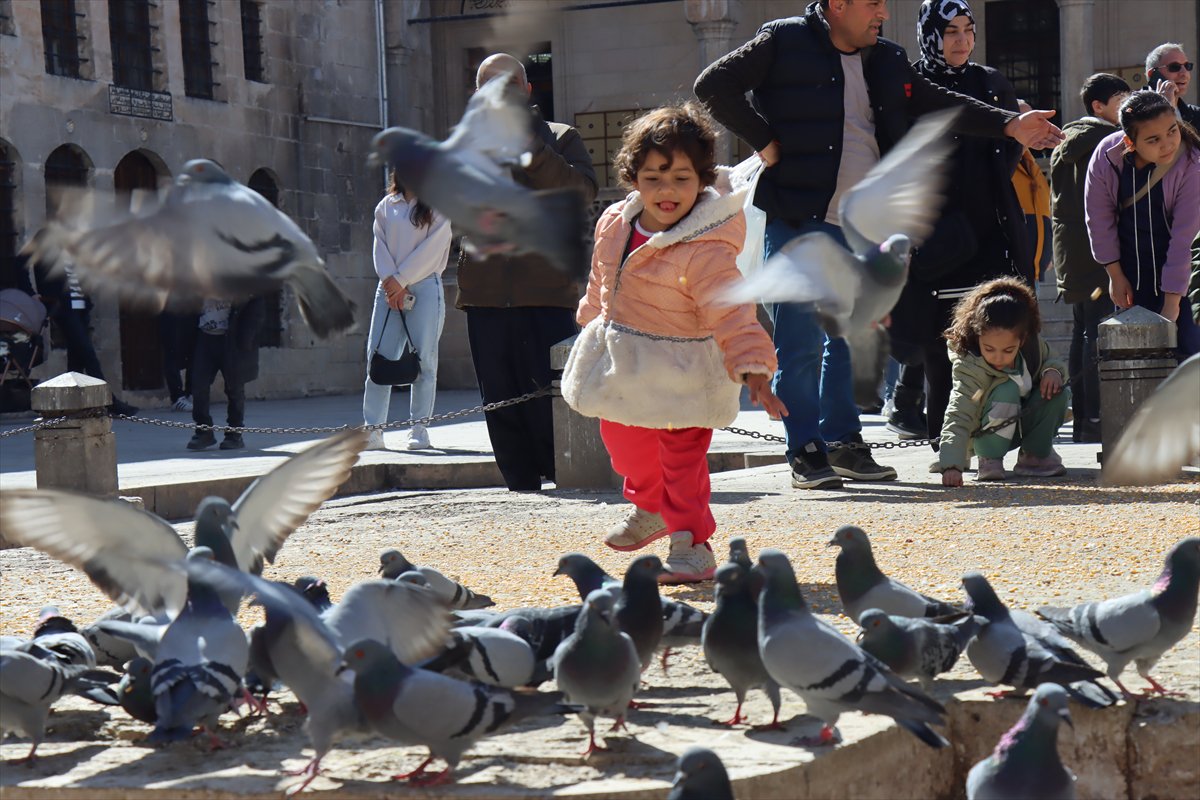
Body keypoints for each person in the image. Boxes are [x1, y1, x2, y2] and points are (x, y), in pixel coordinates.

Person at [694, 0, 1063, 490]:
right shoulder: (783, 39)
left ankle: (843, 441)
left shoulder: (887, 58)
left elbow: (934, 99)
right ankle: (805, 448)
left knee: (851, 340)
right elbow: (713, 85)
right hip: (799, 215)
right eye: (873, 3)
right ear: (838, 5)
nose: (883, 13)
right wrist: (763, 140)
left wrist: (1008, 123)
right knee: (800, 341)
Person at [564, 103, 785, 583]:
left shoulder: (706, 244)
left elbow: (731, 308)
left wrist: (753, 367)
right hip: (627, 366)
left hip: (688, 372)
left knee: (682, 465)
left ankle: (692, 544)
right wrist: (590, 320)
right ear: (633, 178)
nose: (667, 190)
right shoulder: (616, 222)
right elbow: (602, 278)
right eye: (654, 177)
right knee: (623, 445)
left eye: (682, 178)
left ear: (702, 181)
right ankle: (651, 507)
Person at [888, 0, 1034, 464]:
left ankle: (994, 443)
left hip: (989, 229)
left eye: (968, 30)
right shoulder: (910, 84)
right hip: (934, 234)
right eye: (950, 31)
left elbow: (1010, 148)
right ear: (930, 34)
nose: (962, 40)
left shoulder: (991, 83)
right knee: (941, 344)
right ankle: (946, 443)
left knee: (996, 334)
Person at [456, 53, 598, 492]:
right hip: (486, 292)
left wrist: (530, 146)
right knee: (500, 399)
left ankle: (562, 473)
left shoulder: (561, 136)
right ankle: (519, 486)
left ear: (527, 89)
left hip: (546, 289)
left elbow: (580, 193)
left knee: (548, 395)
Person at [1084, 90, 1200, 357]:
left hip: (1186, 279)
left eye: (1172, 131)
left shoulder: (1192, 162)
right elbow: (1099, 219)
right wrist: (1115, 275)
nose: (1168, 144)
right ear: (1130, 141)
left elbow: (1186, 238)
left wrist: (1172, 303)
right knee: (1135, 360)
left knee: (1187, 356)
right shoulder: (1107, 156)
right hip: (1130, 276)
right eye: (1153, 139)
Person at [1051, 72, 1130, 443]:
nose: (1127, 106)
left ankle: (1086, 419)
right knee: (1097, 333)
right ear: (1098, 106)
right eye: (1120, 99)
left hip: (1073, 251)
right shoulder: (1107, 141)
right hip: (1099, 249)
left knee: (1084, 332)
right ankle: (1096, 418)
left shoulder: (1065, 140)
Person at [938, 277, 1068, 486]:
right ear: (977, 336)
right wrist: (951, 465)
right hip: (984, 432)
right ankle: (989, 458)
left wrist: (1052, 371)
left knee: (1056, 390)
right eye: (989, 349)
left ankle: (1035, 455)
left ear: (1022, 340)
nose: (998, 358)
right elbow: (959, 413)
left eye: (1008, 350)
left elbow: (1053, 360)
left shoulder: (1034, 347)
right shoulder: (969, 365)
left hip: (1021, 424)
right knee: (1006, 388)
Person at [363, 170, 453, 451]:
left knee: (425, 359)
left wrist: (401, 280)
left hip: (424, 286)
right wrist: (392, 282)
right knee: (378, 358)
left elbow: (433, 248)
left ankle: (419, 429)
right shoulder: (386, 205)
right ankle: (373, 430)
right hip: (388, 287)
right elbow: (379, 245)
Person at [30, 255, 139, 417]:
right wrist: (31, 293)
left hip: (81, 307)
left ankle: (73, 405)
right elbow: (21, 261)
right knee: (88, 354)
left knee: (76, 360)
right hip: (63, 308)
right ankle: (108, 401)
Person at [186, 295, 265, 451]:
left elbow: (256, 305)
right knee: (198, 385)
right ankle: (204, 431)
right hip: (205, 336)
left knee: (234, 387)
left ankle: (234, 433)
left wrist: (246, 337)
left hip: (231, 337)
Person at [1145, 42, 1198, 131]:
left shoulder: (1196, 114)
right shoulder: (1134, 113)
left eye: (1187, 66)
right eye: (1174, 67)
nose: (1184, 73)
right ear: (1153, 74)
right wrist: (1165, 107)